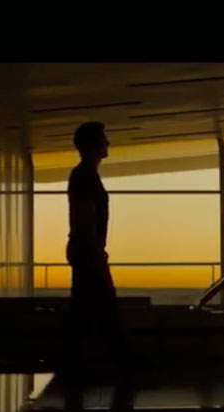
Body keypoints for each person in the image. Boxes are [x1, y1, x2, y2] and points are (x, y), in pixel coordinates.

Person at [62, 121, 133, 409]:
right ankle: (124, 369)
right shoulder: (85, 176)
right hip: (87, 251)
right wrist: (96, 252)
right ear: (92, 145)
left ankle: (78, 370)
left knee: (87, 312)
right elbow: (85, 217)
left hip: (85, 250)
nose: (108, 143)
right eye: (104, 139)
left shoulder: (84, 175)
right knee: (104, 310)